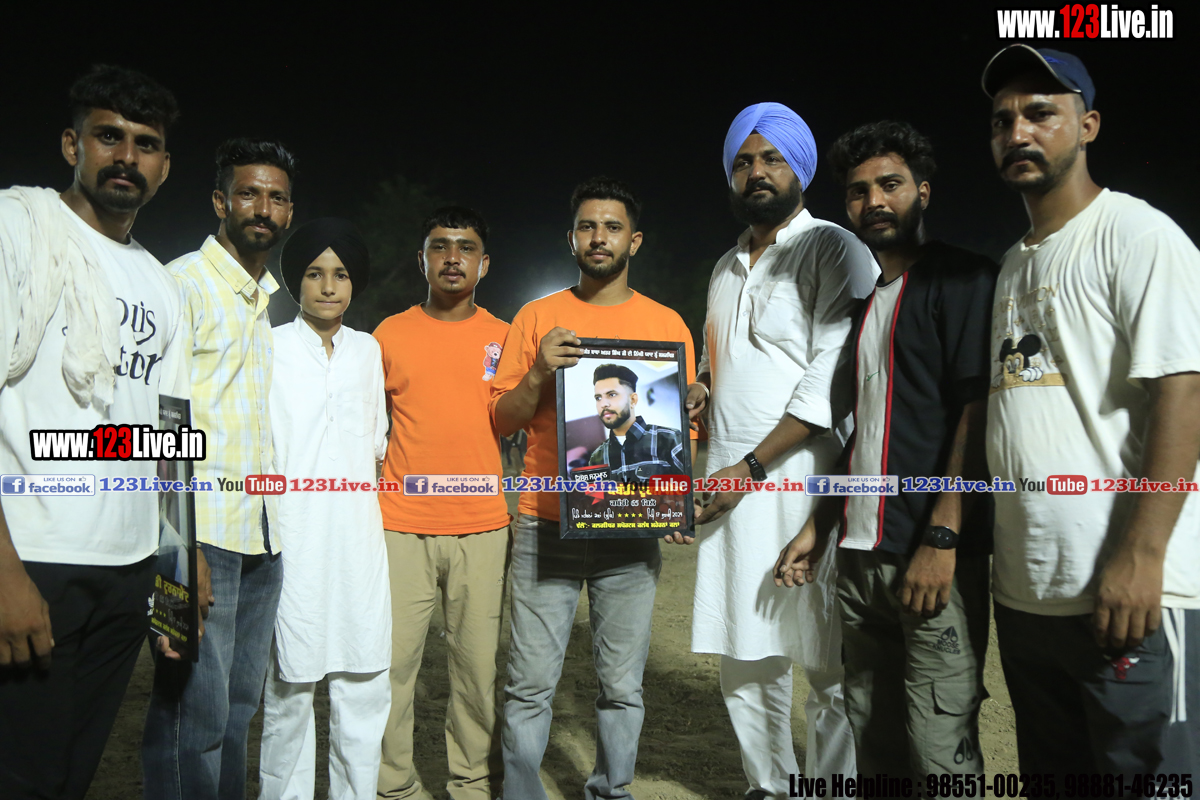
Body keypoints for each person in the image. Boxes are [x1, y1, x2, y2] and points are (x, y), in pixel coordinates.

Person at [976, 44, 1200, 777]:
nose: (1018, 132)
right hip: (1030, 596)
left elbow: (1184, 392)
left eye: (1041, 113)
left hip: (1132, 593)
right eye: (1003, 120)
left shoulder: (1139, 235)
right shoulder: (1013, 263)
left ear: (1089, 125)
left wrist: (1142, 555)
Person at [774, 121, 998, 779]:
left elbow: (979, 411)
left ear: (923, 192)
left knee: (939, 747)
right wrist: (821, 524)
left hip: (930, 557)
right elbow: (866, 433)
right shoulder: (865, 305)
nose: (873, 201)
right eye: (858, 190)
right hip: (860, 560)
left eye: (890, 184)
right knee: (874, 743)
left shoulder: (964, 279)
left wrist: (943, 539)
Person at [0, 64, 190, 800]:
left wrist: (178, 571)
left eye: (146, 144)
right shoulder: (19, 228)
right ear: (71, 144)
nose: (126, 157)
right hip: (33, 561)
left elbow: (170, 433)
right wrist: (4, 573)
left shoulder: (162, 285)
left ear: (164, 166)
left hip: (129, 572)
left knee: (71, 778)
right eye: (109, 136)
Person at [682, 103, 876, 798]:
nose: (757, 172)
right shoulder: (725, 267)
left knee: (827, 658)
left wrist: (753, 467)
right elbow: (725, 364)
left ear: (801, 169)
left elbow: (834, 377)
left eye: (772, 158)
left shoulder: (835, 248)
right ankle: (770, 786)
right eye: (744, 161)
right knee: (745, 652)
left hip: (806, 482)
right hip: (730, 483)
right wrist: (701, 389)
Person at [490, 177, 696, 800]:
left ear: (635, 240)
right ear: (571, 238)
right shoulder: (537, 317)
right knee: (529, 682)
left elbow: (683, 432)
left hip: (630, 533)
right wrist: (537, 371)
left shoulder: (666, 325)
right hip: (546, 523)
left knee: (622, 684)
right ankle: (521, 792)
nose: (598, 237)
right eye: (587, 226)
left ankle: (612, 788)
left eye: (611, 227)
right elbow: (502, 419)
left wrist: (673, 503)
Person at [143, 137, 297, 799]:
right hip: (198, 539)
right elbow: (159, 424)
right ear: (219, 201)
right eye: (248, 193)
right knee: (190, 716)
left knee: (235, 717)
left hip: (260, 540)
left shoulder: (261, 300)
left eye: (276, 197)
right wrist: (179, 557)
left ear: (289, 212)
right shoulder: (181, 285)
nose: (263, 208)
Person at [374, 206, 511, 800]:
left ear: (485, 263)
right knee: (391, 666)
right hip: (400, 526)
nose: (452, 257)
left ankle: (471, 784)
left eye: (465, 247)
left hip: (483, 527)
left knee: (476, 671)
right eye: (440, 246)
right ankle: (392, 785)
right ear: (422, 259)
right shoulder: (388, 335)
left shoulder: (507, 337)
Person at [257, 219, 391, 799]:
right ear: (295, 282)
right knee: (290, 685)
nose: (329, 286)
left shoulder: (368, 350)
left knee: (364, 682)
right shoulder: (269, 345)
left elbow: (376, 444)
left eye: (340, 275)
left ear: (354, 283)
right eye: (314, 274)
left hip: (358, 539)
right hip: (294, 537)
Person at [587, 363, 685, 481]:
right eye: (598, 398)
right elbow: (595, 493)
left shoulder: (670, 440)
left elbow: (687, 488)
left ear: (633, 400)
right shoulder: (597, 458)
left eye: (612, 395)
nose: (603, 404)